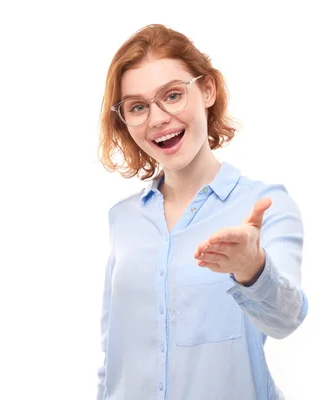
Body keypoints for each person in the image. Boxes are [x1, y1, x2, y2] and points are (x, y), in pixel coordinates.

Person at [95, 24, 308, 400]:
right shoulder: (123, 220)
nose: (158, 118)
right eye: (138, 107)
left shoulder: (265, 206)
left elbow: (286, 320)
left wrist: (251, 268)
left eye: (172, 95)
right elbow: (114, 358)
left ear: (207, 89)